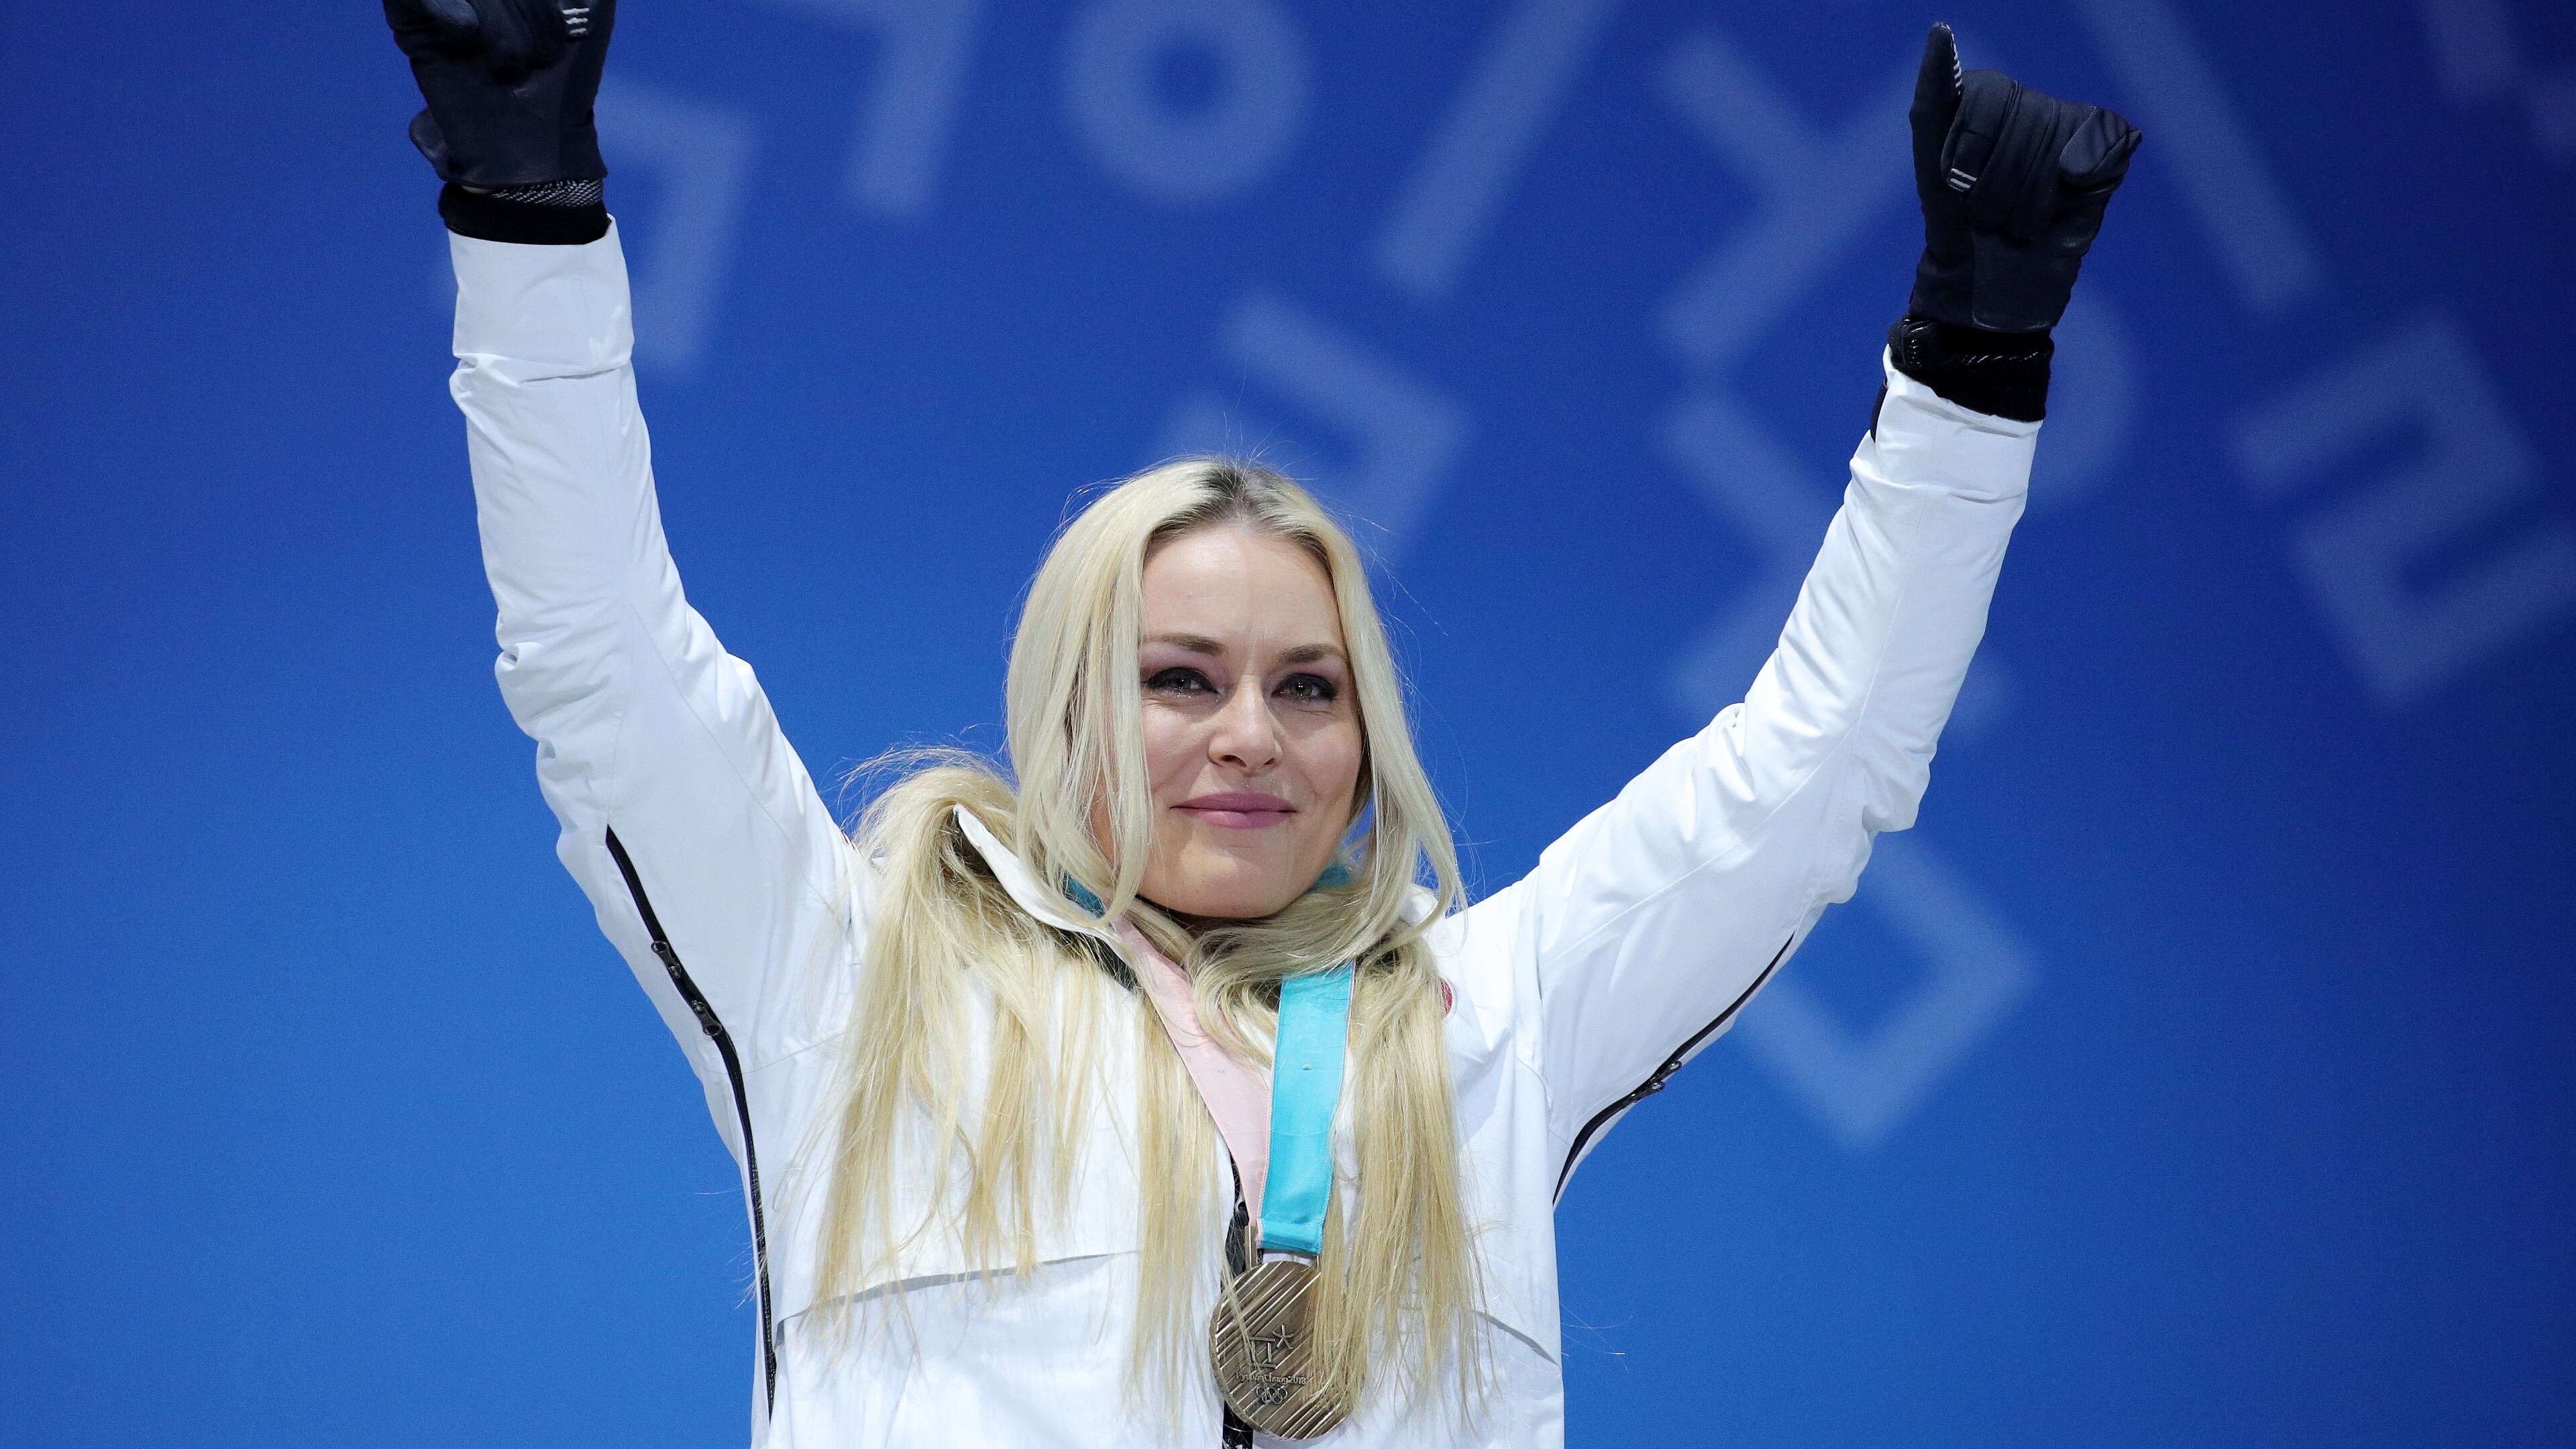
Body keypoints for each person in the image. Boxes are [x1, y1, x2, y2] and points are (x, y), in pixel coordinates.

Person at [386, 3, 2138, 1444]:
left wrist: (1973, 366)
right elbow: (607, 662)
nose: (1249, 736)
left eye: (1310, 689)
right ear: (1069, 711)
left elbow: (1820, 764)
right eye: (1179, 678)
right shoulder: (844, 978)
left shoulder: (1488, 1025)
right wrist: (526, 218)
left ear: (1369, 747)